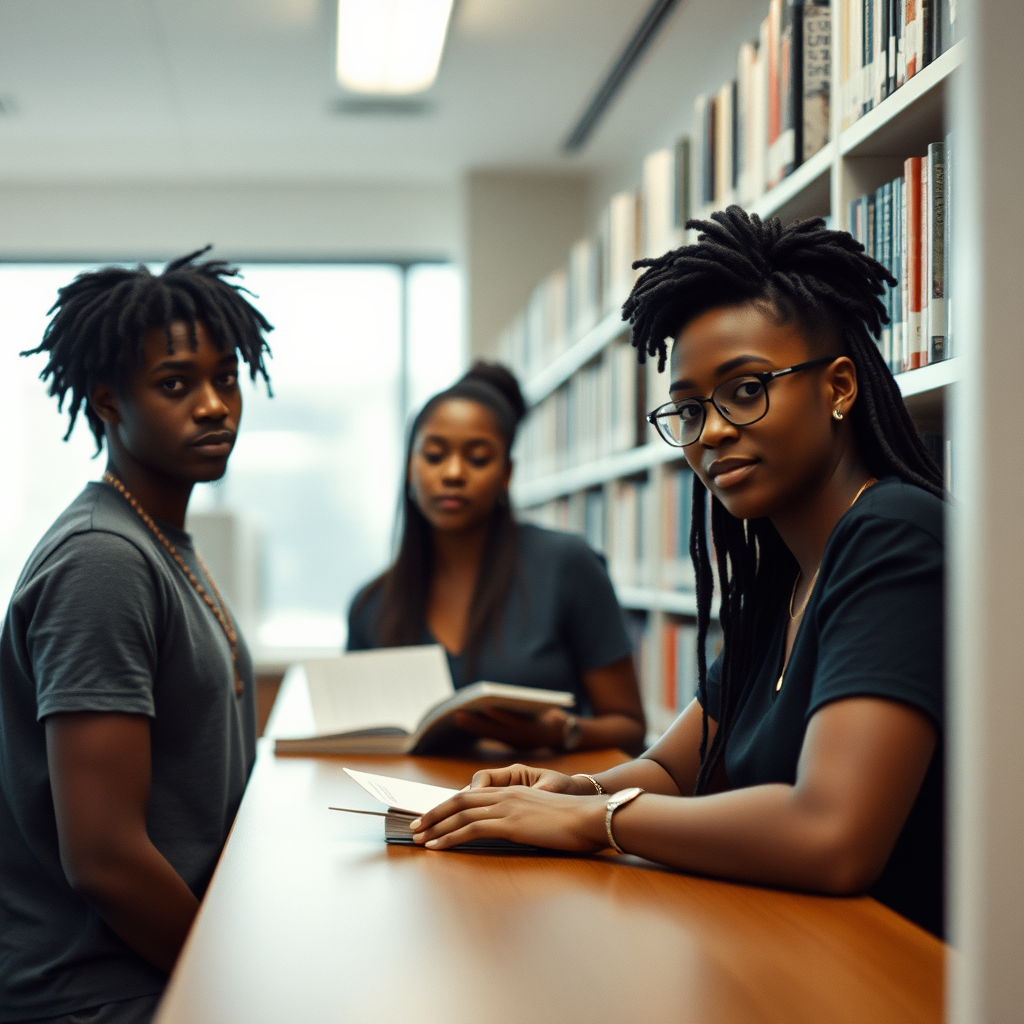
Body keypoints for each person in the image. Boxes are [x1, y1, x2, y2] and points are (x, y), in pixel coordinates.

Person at [407, 208, 947, 939]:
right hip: (793, 943)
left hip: (908, 971)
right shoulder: (781, 578)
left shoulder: (893, 535)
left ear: (840, 386)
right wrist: (573, 787)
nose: (713, 431)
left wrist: (592, 819)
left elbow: (833, 834)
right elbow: (673, 771)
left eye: (747, 388)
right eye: (688, 410)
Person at [0, 250, 273, 1024]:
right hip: (100, 989)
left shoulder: (157, 539)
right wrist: (233, 988)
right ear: (108, 402)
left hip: (157, 959)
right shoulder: (102, 561)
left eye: (227, 377)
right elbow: (105, 860)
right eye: (176, 384)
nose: (216, 405)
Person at [348, 361, 646, 755]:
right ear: (409, 468)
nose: (453, 473)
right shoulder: (372, 605)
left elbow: (630, 730)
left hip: (542, 802)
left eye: (477, 458)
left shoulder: (567, 565)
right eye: (435, 456)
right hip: (414, 810)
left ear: (506, 473)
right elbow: (354, 739)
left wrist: (559, 733)